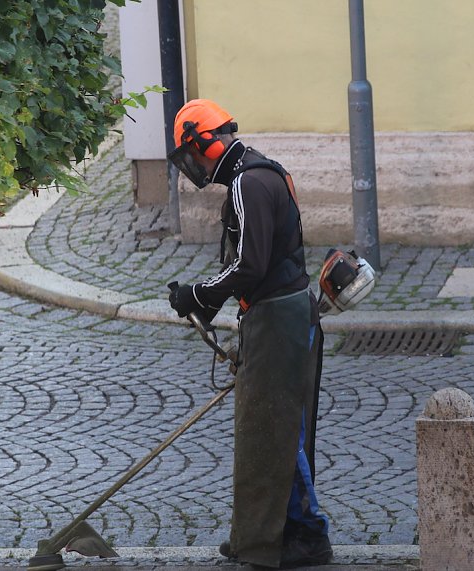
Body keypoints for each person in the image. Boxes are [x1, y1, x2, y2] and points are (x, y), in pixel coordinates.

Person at [167, 99, 332, 569]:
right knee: (272, 431)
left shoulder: (247, 183)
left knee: (278, 433)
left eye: (192, 156)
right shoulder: (259, 173)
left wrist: (197, 294)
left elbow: (249, 266)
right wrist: (209, 302)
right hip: (281, 314)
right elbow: (254, 263)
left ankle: (307, 536)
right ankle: (264, 536)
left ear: (206, 144)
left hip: (279, 320)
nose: (195, 168)